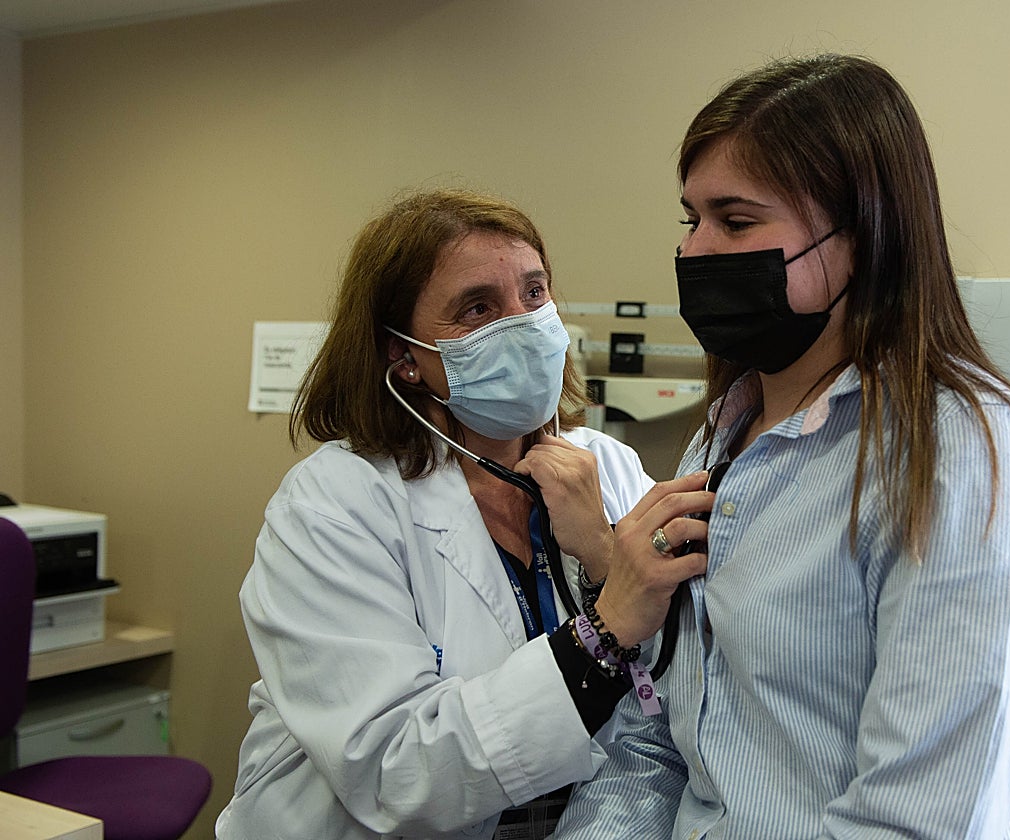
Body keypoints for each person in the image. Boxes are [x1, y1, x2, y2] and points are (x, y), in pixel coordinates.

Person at [553, 54, 1010, 840]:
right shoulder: (719, 441)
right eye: (691, 219)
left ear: (860, 238)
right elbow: (657, 738)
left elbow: (926, 814)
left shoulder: (956, 449)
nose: (694, 253)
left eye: (736, 220)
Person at [216, 189, 714, 840]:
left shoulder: (610, 468)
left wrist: (601, 554)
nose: (524, 324)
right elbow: (396, 772)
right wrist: (608, 621)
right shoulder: (335, 505)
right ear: (406, 358)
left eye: (534, 294)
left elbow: (677, 692)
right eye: (478, 308)